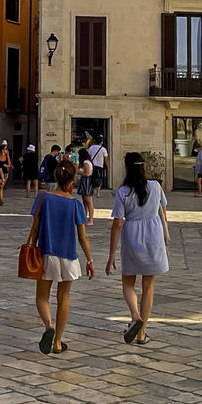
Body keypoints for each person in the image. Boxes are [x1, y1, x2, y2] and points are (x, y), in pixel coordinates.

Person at [26, 158, 93, 355]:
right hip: (69, 256)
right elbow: (83, 237)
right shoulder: (75, 205)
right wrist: (89, 260)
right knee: (63, 297)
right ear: (72, 180)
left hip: (46, 253)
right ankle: (57, 342)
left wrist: (30, 246)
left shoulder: (43, 198)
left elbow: (35, 228)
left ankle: (48, 325)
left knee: (41, 297)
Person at [106, 152, 169, 344]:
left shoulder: (123, 192)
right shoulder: (156, 186)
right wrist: (165, 243)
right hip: (154, 235)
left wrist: (111, 255)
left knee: (128, 282)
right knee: (148, 286)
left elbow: (117, 223)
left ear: (126, 168)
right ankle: (142, 334)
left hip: (132, 235)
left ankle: (135, 317)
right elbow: (163, 211)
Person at [73, 141, 95, 224]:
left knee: (88, 201)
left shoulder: (86, 163)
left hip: (87, 182)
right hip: (85, 182)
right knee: (85, 202)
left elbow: (87, 173)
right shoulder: (86, 162)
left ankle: (91, 219)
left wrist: (78, 171)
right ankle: (85, 217)